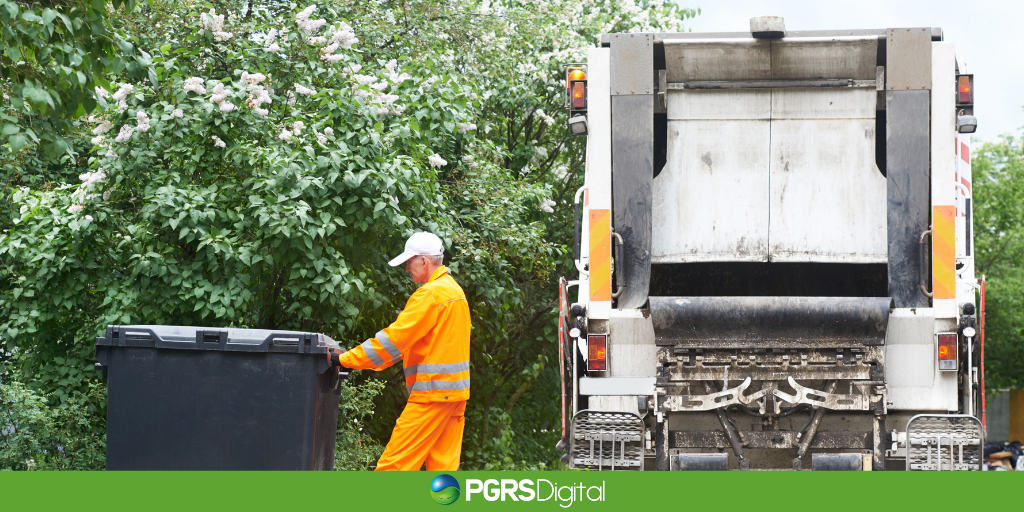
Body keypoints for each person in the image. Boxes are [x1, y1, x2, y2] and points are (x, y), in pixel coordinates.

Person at [330, 231, 471, 471]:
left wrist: (345, 360)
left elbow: (393, 340)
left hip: (432, 394)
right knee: (443, 469)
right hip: (455, 395)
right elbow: (412, 344)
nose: (407, 269)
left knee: (393, 467)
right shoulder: (454, 291)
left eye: (409, 262)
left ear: (424, 261)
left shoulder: (430, 294)